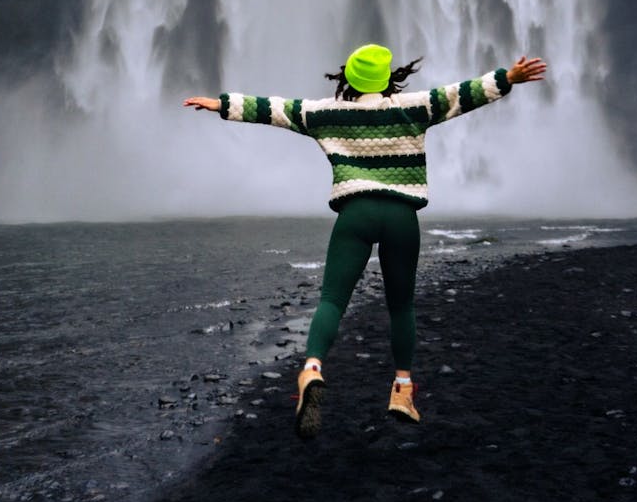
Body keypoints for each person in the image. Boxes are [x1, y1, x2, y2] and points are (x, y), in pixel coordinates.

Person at [184, 45, 546, 439]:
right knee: (401, 305)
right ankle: (402, 390)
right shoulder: (415, 105)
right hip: (401, 218)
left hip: (355, 216)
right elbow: (463, 94)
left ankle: (312, 369)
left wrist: (219, 104)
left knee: (332, 300)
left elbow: (274, 108)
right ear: (388, 78)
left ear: (349, 80)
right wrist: (507, 78)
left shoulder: (325, 113)